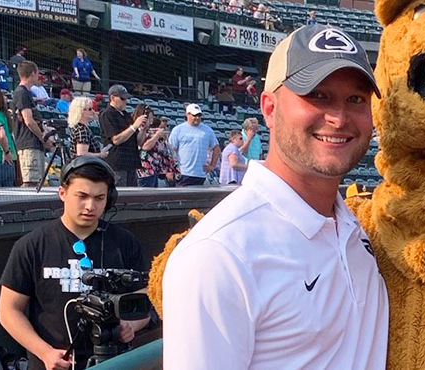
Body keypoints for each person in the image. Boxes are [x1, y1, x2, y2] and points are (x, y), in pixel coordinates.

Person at [162, 24, 388, 369]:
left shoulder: (356, 227)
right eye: (317, 95)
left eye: (355, 99)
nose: (339, 117)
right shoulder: (218, 253)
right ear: (269, 108)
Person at [0, 156, 149, 370]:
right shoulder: (31, 245)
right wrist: (45, 352)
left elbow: (146, 298)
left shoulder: (125, 243)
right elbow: (8, 310)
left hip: (114, 361)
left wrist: (131, 324)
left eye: (99, 198)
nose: (90, 206)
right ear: (63, 193)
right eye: (82, 196)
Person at [99, 85, 147, 187]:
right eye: (122, 98)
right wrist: (134, 126)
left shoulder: (126, 115)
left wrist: (143, 129)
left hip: (131, 162)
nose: (125, 101)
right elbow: (116, 139)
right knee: (120, 194)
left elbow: (138, 142)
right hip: (118, 163)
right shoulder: (107, 114)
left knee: (132, 197)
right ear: (112, 98)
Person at [12, 61, 49, 187]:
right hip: (28, 143)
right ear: (33, 73)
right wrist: (43, 137)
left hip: (33, 144)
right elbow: (28, 120)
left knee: (37, 181)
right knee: (31, 182)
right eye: (37, 73)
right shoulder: (21, 93)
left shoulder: (26, 93)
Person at [167, 104, 220, 186]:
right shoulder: (178, 130)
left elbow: (216, 148)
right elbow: (170, 150)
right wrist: (170, 169)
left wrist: (212, 166)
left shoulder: (208, 130)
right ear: (187, 114)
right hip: (182, 173)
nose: (197, 118)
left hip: (200, 174)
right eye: (194, 115)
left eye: (199, 115)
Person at [136, 109, 174, 187]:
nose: (150, 121)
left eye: (151, 118)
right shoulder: (139, 131)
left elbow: (164, 152)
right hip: (144, 171)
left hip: (154, 170)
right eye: (149, 118)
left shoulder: (151, 132)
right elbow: (144, 147)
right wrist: (156, 136)